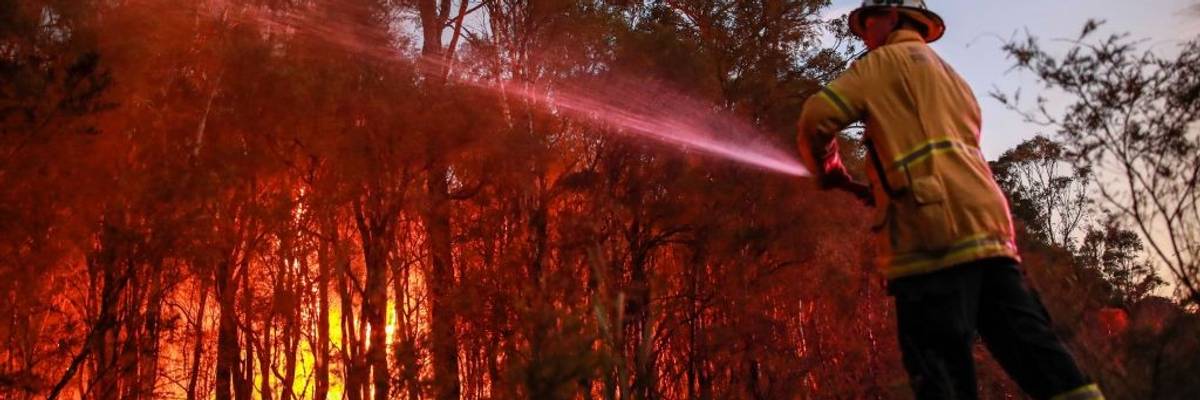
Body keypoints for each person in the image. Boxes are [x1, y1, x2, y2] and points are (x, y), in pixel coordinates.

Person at [795, 1, 1105, 399]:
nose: (863, 33)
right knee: (1042, 361)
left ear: (893, 17)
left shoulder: (882, 64)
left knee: (941, 379)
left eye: (867, 21)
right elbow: (932, 152)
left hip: (931, 241)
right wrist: (888, 183)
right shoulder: (953, 77)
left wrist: (829, 171)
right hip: (991, 232)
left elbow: (814, 118)